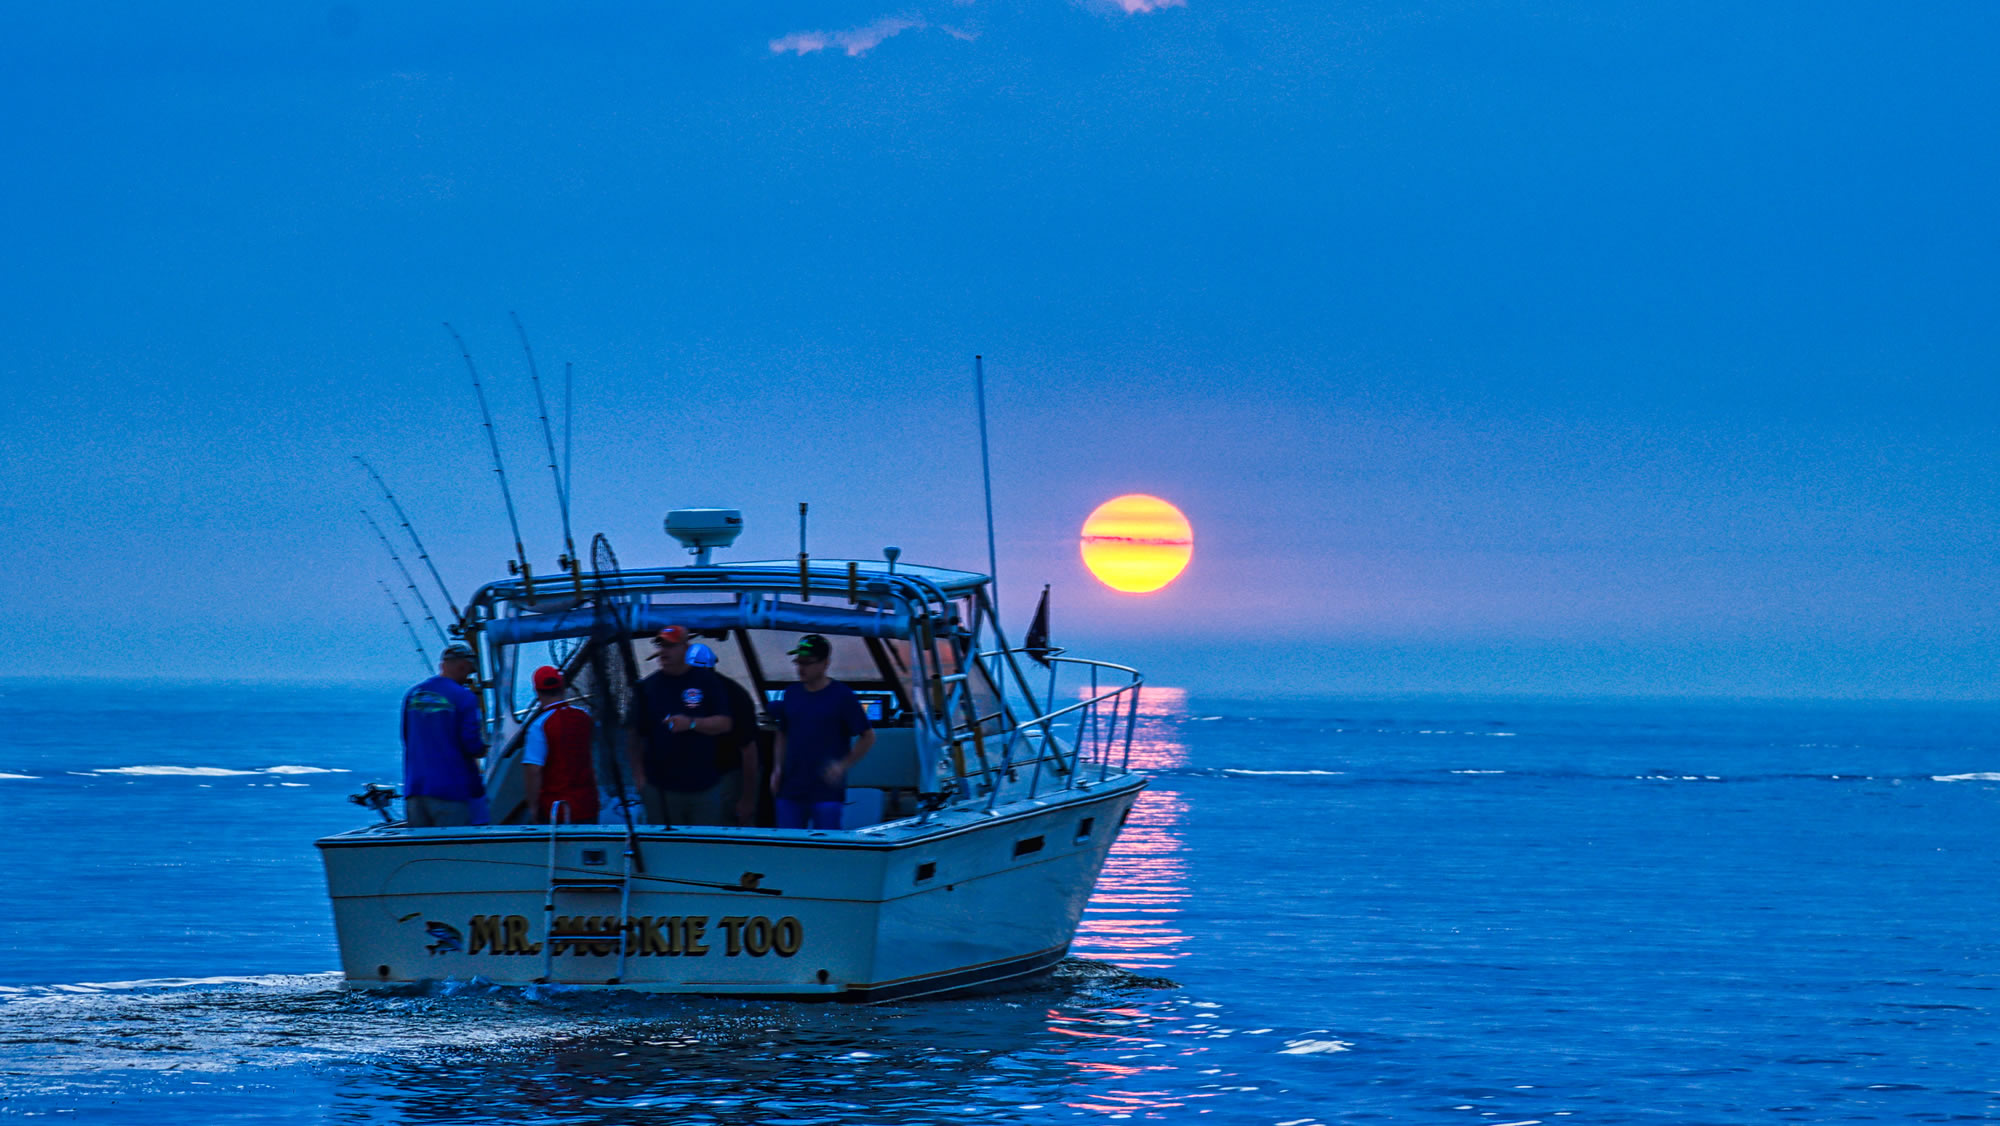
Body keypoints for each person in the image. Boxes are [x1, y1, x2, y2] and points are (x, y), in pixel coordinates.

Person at [626, 626, 734, 824]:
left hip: (704, 788)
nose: (664, 651)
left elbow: (724, 723)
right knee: (663, 849)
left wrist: (691, 723)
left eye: (670, 645)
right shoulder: (647, 688)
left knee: (703, 848)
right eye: (661, 645)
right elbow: (634, 735)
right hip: (660, 789)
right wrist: (639, 778)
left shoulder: (708, 682)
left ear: (685, 647)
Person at [770, 634, 875, 830]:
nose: (801, 668)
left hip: (826, 793)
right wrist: (777, 769)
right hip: (791, 789)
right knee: (788, 846)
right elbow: (782, 733)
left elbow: (868, 737)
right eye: (798, 662)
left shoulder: (842, 696)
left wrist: (842, 766)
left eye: (807, 663)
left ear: (825, 663)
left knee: (827, 847)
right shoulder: (791, 693)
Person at [402, 641, 488, 827]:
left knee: (423, 853)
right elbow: (471, 744)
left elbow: (407, 737)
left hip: (415, 789)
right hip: (451, 791)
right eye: (469, 671)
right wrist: (487, 748)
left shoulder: (412, 695)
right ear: (462, 666)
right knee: (453, 852)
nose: (469, 677)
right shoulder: (464, 697)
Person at [688, 642, 761, 827]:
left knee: (726, 828)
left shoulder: (735, 697)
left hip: (728, 775)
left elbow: (749, 750)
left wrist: (747, 799)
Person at [521, 665, 596, 824]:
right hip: (588, 804)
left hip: (557, 810)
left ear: (537, 692)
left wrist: (533, 807)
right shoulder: (584, 717)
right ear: (562, 687)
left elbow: (533, 770)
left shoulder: (539, 726)